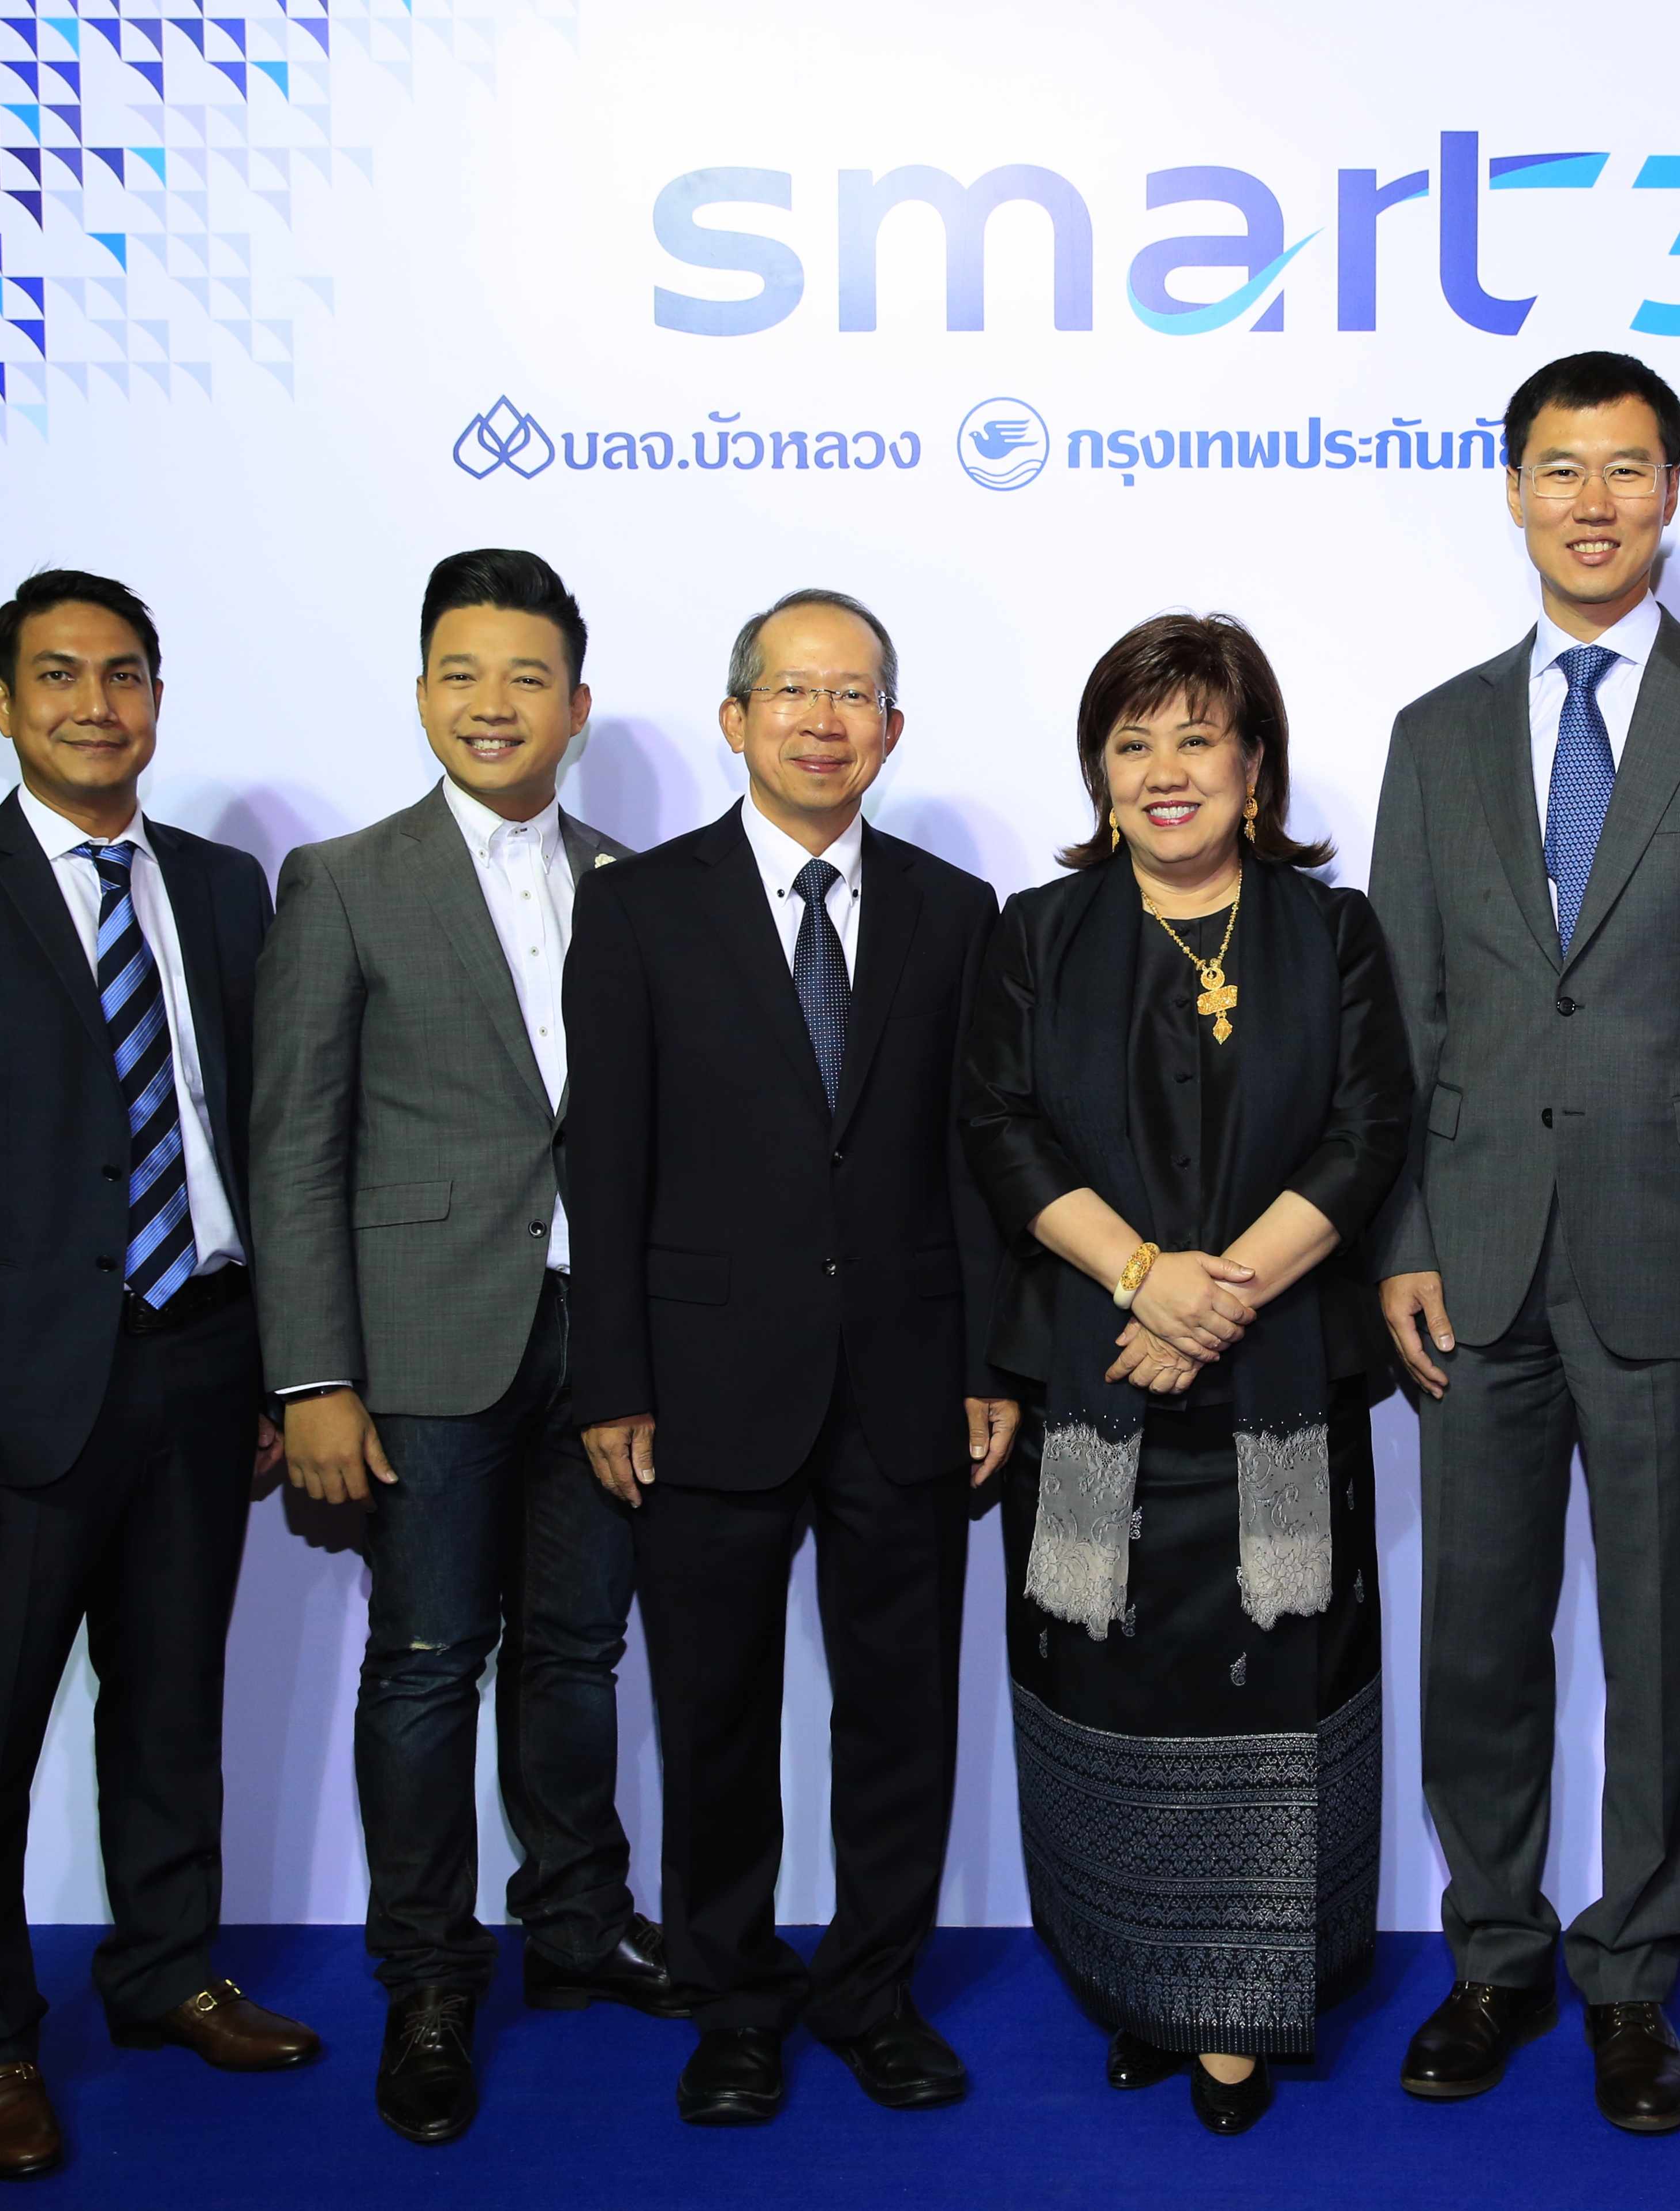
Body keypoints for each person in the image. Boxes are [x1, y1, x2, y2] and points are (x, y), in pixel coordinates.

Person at [1369, 351, 1680, 2133]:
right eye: (1559, 468)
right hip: (1473, 1259)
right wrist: (1403, 1230)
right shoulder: (1435, 732)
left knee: (1656, 1644)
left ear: (1672, 487)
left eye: (1625, 468)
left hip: (1674, 1257)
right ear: (1511, 490)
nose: (1591, 501)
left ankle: (1631, 1980)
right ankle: (1492, 1954)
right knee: (1477, 1640)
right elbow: (1401, 1014)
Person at [0, 570, 319, 2182]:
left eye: (123, 676)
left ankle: (167, 1973)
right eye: (59, 676)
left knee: (172, 1715)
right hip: (12, 1402)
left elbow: (257, 1134)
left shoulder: (224, 888)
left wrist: (279, 1367)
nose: (95, 705)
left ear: (157, 700)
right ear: (2, 703)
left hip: (205, 1360)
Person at [563, 587, 1016, 2127]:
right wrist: (612, 1379)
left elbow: (973, 1163)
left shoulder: (958, 913)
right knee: (713, 1717)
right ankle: (734, 2004)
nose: (824, 722)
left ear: (891, 729)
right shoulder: (639, 909)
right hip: (701, 1386)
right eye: (794, 693)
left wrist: (988, 1363)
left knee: (899, 1712)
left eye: (854, 696)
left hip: (907, 1377)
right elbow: (604, 1164)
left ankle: (873, 1994)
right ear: (735, 716)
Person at [960, 614, 1410, 2136]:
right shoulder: (1037, 933)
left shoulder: (1329, 933)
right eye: (1133, 741)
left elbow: (1364, 1132)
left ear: (1253, 766)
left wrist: (1211, 1299)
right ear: (1099, 771)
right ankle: (1140, 1985)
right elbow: (1000, 1128)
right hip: (1095, 1380)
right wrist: (1140, 1277)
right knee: (1108, 1690)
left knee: (1273, 1695)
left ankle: (1239, 2017)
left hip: (1276, 1389)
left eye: (1197, 739)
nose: (1166, 770)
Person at [249, 549, 676, 2148]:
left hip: (602, 1342)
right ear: (423, 691)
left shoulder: (637, 882)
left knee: (577, 1655)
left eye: (526, 677)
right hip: (425, 1346)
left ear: (577, 704)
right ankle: (428, 1977)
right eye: (461, 673)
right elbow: (296, 1145)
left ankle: (576, 1923)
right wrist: (313, 1375)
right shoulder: (345, 880)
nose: (493, 704)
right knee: (428, 1665)